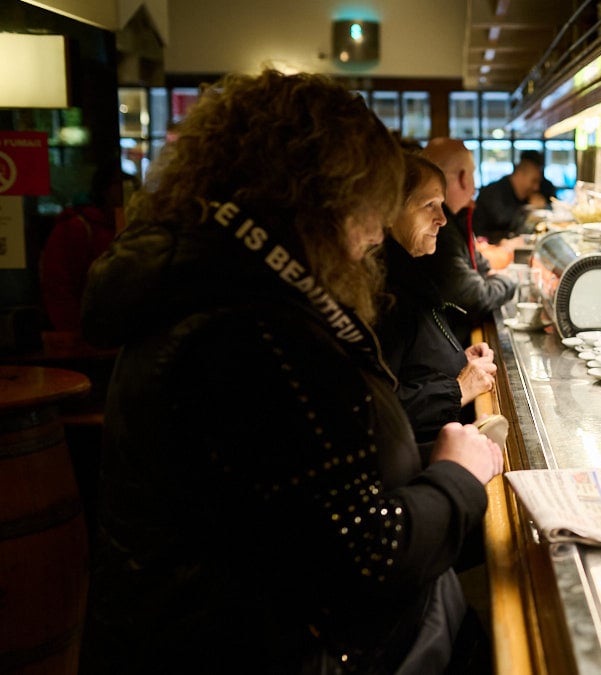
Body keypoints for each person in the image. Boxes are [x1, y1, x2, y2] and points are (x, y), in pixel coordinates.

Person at [78, 70, 503, 674]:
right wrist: (458, 476)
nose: (376, 233)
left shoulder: (220, 281)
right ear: (322, 199)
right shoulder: (251, 331)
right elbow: (362, 562)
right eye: (371, 207)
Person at [376, 153, 498, 443]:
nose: (442, 219)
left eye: (441, 205)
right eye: (429, 205)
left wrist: (455, 359)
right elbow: (381, 411)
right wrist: (459, 388)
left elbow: (412, 358)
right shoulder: (382, 291)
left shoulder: (408, 268)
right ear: (391, 210)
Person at [421, 137, 517, 345]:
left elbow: (483, 267)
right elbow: (475, 297)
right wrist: (509, 280)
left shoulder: (457, 219)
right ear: (465, 178)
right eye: (426, 205)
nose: (438, 218)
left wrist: (490, 278)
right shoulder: (440, 232)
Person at [39, 162, 128, 333]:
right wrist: (74, 331)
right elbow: (58, 287)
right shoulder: (76, 228)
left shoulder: (126, 227)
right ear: (104, 190)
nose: (126, 190)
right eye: (119, 184)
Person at [471, 150, 547, 243]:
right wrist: (530, 208)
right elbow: (504, 222)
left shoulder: (524, 197)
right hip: (486, 247)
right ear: (520, 175)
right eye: (534, 181)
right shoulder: (493, 192)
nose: (536, 187)